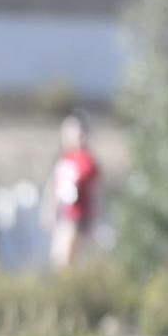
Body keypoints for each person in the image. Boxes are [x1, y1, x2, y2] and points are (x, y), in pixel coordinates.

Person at [49, 112, 101, 270]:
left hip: (78, 218)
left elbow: (94, 194)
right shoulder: (65, 158)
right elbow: (53, 186)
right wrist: (50, 211)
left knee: (67, 261)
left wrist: (94, 223)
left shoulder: (87, 162)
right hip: (63, 216)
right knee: (58, 259)